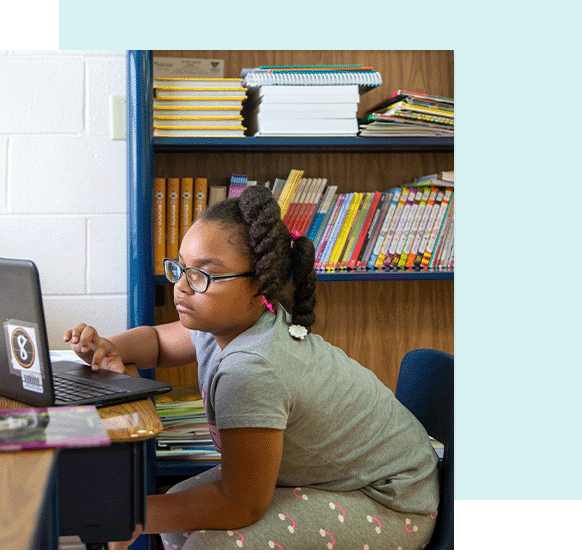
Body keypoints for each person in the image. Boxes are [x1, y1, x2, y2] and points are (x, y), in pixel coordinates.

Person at [64, 185, 440, 550]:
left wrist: (130, 514)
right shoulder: (225, 322)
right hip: (339, 477)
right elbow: (159, 343)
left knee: (210, 544)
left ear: (258, 286)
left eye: (203, 274)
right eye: (180, 269)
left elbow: (240, 504)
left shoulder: (253, 369)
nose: (181, 287)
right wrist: (110, 346)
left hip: (393, 502)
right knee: (178, 506)